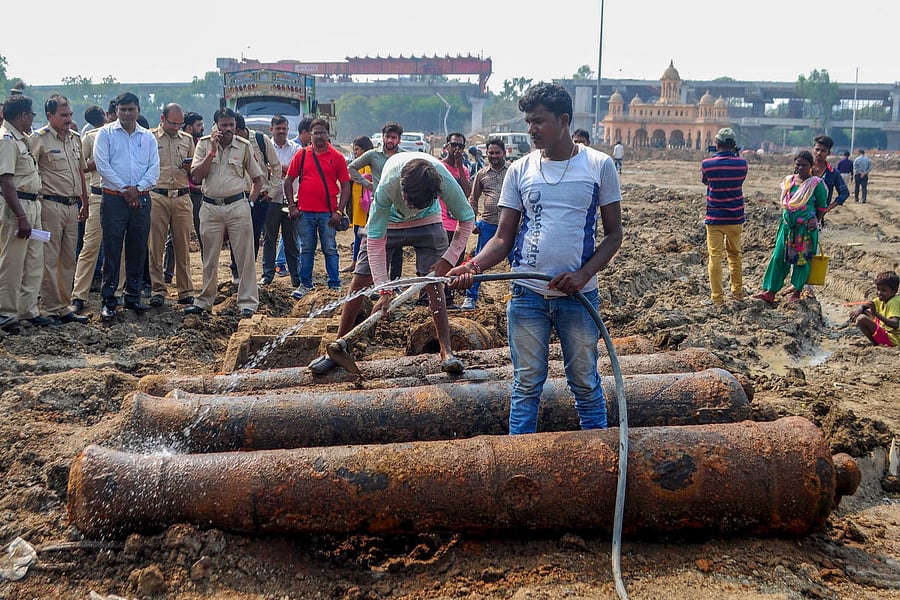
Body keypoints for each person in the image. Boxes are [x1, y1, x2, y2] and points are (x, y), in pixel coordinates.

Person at [448, 82, 624, 435]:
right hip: (527, 295)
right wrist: (473, 266)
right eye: (529, 121)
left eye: (539, 121)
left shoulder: (599, 166)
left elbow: (614, 235)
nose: (531, 130)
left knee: (585, 383)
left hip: (578, 297)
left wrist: (583, 274)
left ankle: (599, 457)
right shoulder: (521, 170)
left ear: (564, 120)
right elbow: (502, 238)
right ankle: (520, 459)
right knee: (526, 385)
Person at [307, 153, 476, 375]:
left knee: (433, 282)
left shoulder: (443, 180)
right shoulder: (387, 185)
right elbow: (375, 243)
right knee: (361, 279)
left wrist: (448, 259)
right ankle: (338, 347)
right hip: (388, 223)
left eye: (418, 204)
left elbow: (467, 219)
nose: (412, 209)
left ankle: (446, 351)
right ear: (402, 189)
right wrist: (384, 291)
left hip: (428, 223)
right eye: (410, 203)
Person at [184, 107, 263, 318]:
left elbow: (258, 179)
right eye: (224, 125)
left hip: (238, 205)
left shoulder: (244, 146)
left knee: (244, 257)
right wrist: (212, 151)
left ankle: (247, 303)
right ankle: (204, 301)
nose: (228, 129)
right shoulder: (202, 144)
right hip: (210, 207)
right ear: (216, 125)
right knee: (209, 258)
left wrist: (251, 203)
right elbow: (197, 176)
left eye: (231, 125)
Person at [93, 92, 160, 320]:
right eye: (123, 110)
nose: (127, 113)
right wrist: (125, 190)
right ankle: (109, 300)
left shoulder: (148, 137)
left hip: (141, 199)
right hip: (114, 199)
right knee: (112, 250)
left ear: (138, 109)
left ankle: (133, 297)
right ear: (116, 110)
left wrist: (137, 189)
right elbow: (102, 166)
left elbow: (154, 169)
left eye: (131, 109)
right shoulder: (106, 133)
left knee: (138, 248)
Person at [29, 94, 90, 324]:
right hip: (50, 205)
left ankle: (64, 306)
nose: (68, 119)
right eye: (63, 115)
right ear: (49, 116)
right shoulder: (39, 139)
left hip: (72, 206)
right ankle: (50, 306)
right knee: (49, 257)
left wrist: (84, 202)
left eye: (70, 114)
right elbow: (29, 170)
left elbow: (80, 172)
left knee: (68, 258)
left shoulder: (75, 139)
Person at [0, 94, 55, 331]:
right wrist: (21, 217)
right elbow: (6, 181)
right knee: (12, 263)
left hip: (33, 204)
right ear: (23, 115)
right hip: (17, 207)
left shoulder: (22, 139)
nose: (33, 119)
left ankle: (28, 310)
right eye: (31, 114)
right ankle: (6, 314)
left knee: (33, 261)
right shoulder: (6, 140)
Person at [283, 118, 350, 299]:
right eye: (316, 133)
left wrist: (339, 212)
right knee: (306, 249)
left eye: (322, 132)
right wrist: (291, 206)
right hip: (305, 213)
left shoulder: (336, 157)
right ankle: (305, 285)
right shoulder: (302, 155)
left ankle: (334, 285)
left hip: (328, 214)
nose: (319, 136)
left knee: (330, 249)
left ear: (328, 134)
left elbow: (345, 185)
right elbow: (288, 181)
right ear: (309, 135)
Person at [752, 151, 828, 305]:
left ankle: (797, 291)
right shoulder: (789, 181)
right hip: (787, 227)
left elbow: (821, 207)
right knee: (778, 257)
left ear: (811, 166)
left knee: (802, 260)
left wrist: (815, 221)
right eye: (798, 164)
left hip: (805, 229)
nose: (800, 168)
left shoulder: (816, 184)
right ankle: (770, 291)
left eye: (804, 165)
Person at [147, 103, 195, 308]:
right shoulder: (149, 138)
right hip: (157, 195)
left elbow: (196, 169)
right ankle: (158, 289)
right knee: (155, 246)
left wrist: (190, 166)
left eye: (180, 123)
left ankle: (185, 290)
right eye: (173, 123)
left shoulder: (187, 139)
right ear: (162, 118)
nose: (177, 127)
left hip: (182, 196)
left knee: (182, 246)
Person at [347, 120, 405, 281]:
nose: (390, 140)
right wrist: (367, 184)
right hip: (379, 207)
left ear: (398, 139)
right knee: (376, 244)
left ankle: (395, 281)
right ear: (382, 137)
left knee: (397, 247)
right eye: (387, 136)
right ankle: (377, 282)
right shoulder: (373, 155)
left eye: (393, 137)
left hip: (399, 208)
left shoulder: (404, 156)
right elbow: (351, 168)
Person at [700, 127, 747, 307]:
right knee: (735, 256)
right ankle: (737, 293)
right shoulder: (742, 164)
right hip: (735, 217)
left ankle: (717, 298)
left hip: (715, 218)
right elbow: (740, 180)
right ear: (734, 145)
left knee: (715, 257)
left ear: (717, 144)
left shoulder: (707, 164)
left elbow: (706, 181)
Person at [461, 137, 509, 310]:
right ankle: (470, 298)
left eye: (497, 152)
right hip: (488, 224)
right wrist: (473, 222)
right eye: (491, 153)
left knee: (518, 263)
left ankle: (518, 296)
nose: (494, 156)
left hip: (512, 227)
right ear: (486, 153)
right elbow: (473, 199)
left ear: (504, 153)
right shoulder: (481, 174)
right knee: (477, 263)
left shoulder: (512, 171)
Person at [71, 103, 108, 314]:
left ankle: (117, 294)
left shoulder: (131, 138)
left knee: (120, 248)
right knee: (90, 246)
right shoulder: (91, 137)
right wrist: (99, 162)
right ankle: (79, 295)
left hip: (122, 198)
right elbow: (81, 167)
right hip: (98, 195)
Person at [259, 115, 300, 286]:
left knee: (291, 240)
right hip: (272, 199)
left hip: (292, 200)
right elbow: (264, 170)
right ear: (271, 129)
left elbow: (296, 171)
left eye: (284, 128)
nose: (282, 132)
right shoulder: (265, 148)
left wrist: (278, 169)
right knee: (270, 238)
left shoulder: (296, 148)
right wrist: (284, 170)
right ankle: (267, 275)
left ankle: (296, 278)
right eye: (278, 128)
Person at [438, 132, 472, 308]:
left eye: (460, 146)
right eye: (454, 145)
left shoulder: (464, 169)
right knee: (439, 261)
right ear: (447, 146)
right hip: (442, 222)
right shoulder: (440, 167)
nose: (457, 149)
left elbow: (467, 192)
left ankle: (448, 299)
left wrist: (459, 166)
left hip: (458, 224)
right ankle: (431, 297)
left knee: (455, 262)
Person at [275, 117, 313, 275]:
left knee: (293, 232)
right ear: (304, 132)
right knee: (289, 232)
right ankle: (281, 262)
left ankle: (287, 262)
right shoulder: (298, 149)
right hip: (282, 196)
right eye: (312, 133)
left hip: (297, 194)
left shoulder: (299, 148)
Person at [342, 134, 375, 274]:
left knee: (362, 235)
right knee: (357, 233)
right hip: (357, 205)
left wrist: (353, 176)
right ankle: (355, 262)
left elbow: (368, 177)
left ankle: (360, 263)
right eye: (354, 149)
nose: (355, 152)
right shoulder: (358, 163)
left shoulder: (367, 163)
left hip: (364, 205)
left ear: (364, 149)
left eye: (357, 149)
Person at [852, 271, 900, 347]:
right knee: (865, 312)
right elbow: (866, 305)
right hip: (885, 332)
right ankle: (877, 340)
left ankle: (875, 343)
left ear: (894, 291)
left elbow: (895, 324)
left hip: (893, 339)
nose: (879, 293)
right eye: (878, 289)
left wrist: (876, 314)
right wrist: (859, 309)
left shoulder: (893, 302)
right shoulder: (882, 299)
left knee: (861, 318)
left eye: (884, 290)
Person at [182, 111, 205, 256]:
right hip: (183, 192)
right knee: (176, 234)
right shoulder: (181, 143)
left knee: (203, 231)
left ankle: (207, 268)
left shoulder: (201, 144)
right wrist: (193, 186)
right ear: (189, 127)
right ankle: (168, 272)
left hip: (199, 194)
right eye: (199, 125)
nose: (202, 128)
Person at [813, 135, 849, 215]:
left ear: (828, 153)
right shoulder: (804, 169)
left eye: (823, 151)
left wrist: (827, 209)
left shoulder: (832, 173)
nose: (819, 153)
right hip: (800, 214)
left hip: (818, 217)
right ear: (813, 149)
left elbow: (844, 193)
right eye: (817, 149)